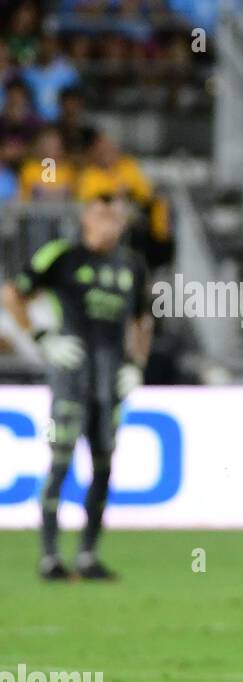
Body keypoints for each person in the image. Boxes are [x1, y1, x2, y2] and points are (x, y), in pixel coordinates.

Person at [1, 193, 152, 580]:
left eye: (115, 218)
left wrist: (136, 365)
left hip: (110, 381)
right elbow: (12, 293)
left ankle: (87, 554)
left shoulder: (131, 266)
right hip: (70, 377)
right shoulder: (62, 255)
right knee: (61, 460)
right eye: (102, 216)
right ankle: (50, 556)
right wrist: (41, 338)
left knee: (103, 465)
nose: (109, 224)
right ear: (86, 219)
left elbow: (142, 321)